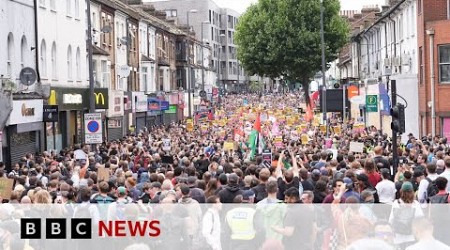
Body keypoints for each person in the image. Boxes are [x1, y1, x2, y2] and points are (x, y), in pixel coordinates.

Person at [389, 182, 424, 249]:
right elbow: (420, 219)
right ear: (412, 192)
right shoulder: (415, 204)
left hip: (398, 235)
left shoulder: (396, 203)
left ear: (401, 191)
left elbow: (391, 219)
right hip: (411, 236)